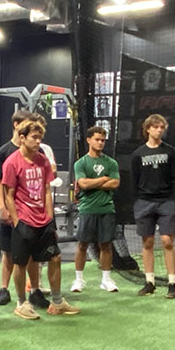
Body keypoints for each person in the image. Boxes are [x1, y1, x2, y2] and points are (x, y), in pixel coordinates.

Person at [1, 119, 78, 319]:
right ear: (22, 137)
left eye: (40, 138)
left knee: (55, 258)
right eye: (34, 137)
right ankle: (21, 303)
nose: (38, 141)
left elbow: (46, 191)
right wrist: (17, 221)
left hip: (43, 220)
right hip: (24, 219)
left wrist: (50, 218)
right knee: (21, 263)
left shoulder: (42, 160)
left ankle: (57, 302)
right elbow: (8, 195)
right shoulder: (11, 162)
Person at [0, 109, 45, 309]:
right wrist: (2, 207)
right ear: (17, 125)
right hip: (12, 209)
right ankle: (4, 289)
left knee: (32, 253)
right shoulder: (4, 152)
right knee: (8, 251)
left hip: (32, 212)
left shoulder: (38, 151)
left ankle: (35, 291)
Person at [130, 113, 175, 298]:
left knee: (167, 241)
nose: (159, 130)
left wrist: (171, 197)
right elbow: (134, 179)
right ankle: (149, 282)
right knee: (147, 242)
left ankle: (172, 283)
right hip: (144, 202)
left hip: (166, 201)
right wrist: (139, 199)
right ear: (148, 129)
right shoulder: (138, 154)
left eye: (162, 128)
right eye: (156, 127)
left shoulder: (170, 152)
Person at [71, 125, 120, 294]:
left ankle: (106, 280)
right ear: (89, 140)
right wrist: (103, 179)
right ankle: (79, 280)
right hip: (87, 209)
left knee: (106, 245)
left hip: (107, 209)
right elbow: (83, 183)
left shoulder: (111, 163)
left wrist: (93, 183)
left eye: (103, 140)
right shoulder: (81, 163)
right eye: (97, 139)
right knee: (82, 244)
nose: (100, 143)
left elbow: (115, 183)